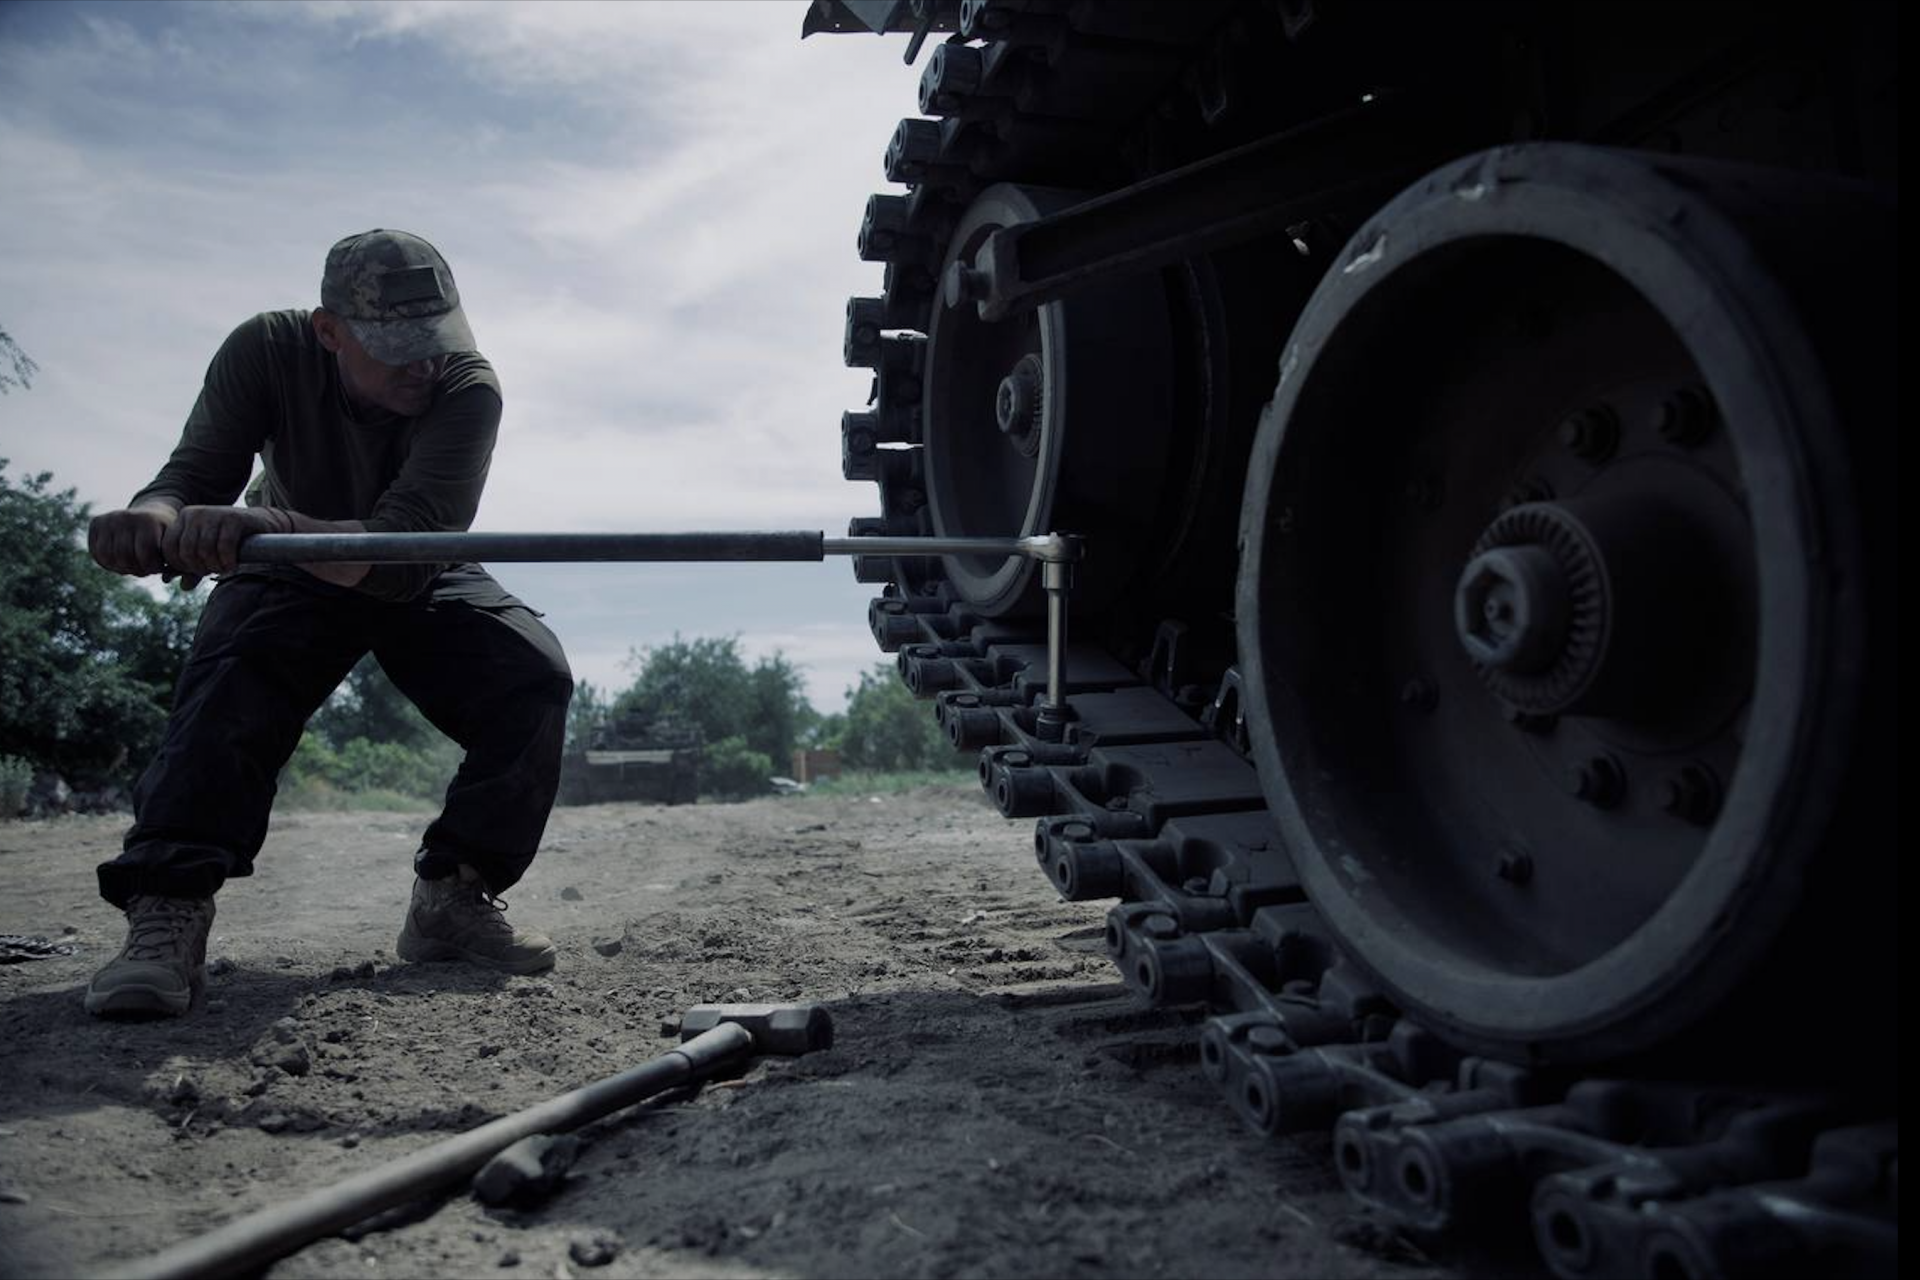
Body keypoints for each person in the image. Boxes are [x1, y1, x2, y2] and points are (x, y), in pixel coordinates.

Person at [82, 229, 574, 1018]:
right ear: (328, 331)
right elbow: (193, 474)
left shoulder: (468, 388)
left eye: (435, 343)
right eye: (396, 347)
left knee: (531, 676)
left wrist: (272, 527)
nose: (422, 366)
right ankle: (167, 911)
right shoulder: (264, 350)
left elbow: (405, 551)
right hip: (283, 564)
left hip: (411, 558)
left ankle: (452, 896)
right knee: (230, 686)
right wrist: (151, 519)